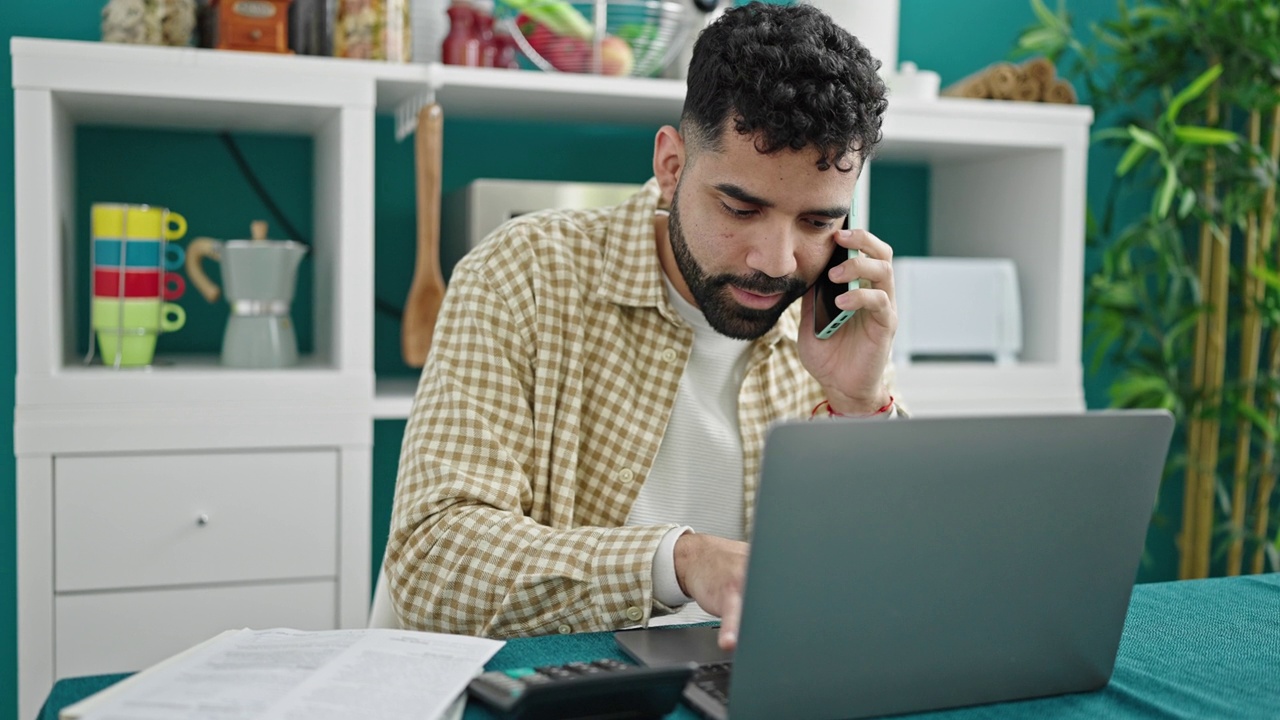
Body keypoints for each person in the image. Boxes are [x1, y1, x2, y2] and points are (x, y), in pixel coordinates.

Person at [386, 1, 897, 651]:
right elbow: (434, 564)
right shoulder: (523, 273)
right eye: (740, 208)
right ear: (671, 165)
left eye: (817, 222)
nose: (776, 262)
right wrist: (682, 561)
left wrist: (859, 406)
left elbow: (887, 589)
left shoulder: (837, 314)